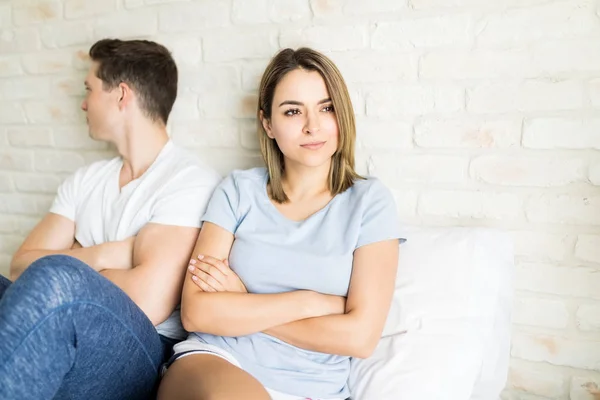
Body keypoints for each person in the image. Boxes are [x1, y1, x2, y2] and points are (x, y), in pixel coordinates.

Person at [158, 47, 404, 400]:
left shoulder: (370, 202)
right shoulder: (238, 190)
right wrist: (308, 302)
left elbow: (360, 338)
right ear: (268, 124)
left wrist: (243, 302)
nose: (312, 126)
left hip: (313, 387)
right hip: (220, 359)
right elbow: (197, 313)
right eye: (293, 111)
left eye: (326, 107)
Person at [0, 38, 221, 400]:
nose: (84, 103)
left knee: (57, 278)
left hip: (145, 347)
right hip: (77, 321)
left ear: (122, 95)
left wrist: (70, 259)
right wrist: (108, 254)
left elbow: (149, 301)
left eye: (89, 89)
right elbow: (20, 267)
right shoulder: (85, 180)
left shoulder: (189, 180)